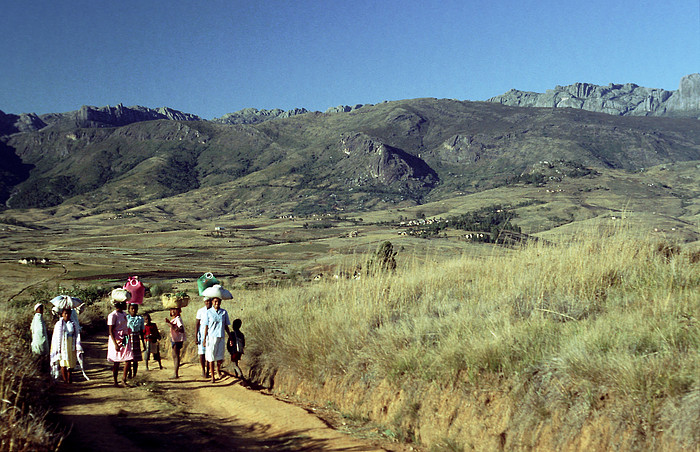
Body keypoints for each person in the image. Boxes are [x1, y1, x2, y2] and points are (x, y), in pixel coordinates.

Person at [50, 307, 82, 384]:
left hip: (71, 344)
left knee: (71, 362)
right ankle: (65, 380)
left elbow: (77, 334)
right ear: (62, 314)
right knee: (63, 362)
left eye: (68, 313)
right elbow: (56, 337)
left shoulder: (73, 323)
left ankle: (69, 377)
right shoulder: (59, 324)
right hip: (62, 346)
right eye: (65, 314)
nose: (67, 315)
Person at [107, 293, 133, 387]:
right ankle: (115, 381)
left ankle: (124, 380)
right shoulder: (112, 315)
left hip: (125, 337)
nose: (126, 305)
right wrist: (115, 344)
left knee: (128, 358)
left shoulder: (124, 314)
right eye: (125, 303)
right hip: (117, 339)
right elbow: (110, 331)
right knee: (116, 360)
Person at [203, 297, 230, 383]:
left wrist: (230, 336)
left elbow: (226, 325)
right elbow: (206, 326)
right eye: (215, 301)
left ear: (220, 302)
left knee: (220, 357)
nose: (217, 303)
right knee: (211, 357)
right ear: (212, 302)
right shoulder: (208, 312)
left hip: (221, 336)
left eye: (218, 301)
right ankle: (212, 376)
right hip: (211, 337)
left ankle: (218, 370)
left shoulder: (224, 312)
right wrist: (204, 339)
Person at [164, 307, 185, 379]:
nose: (173, 311)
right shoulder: (176, 318)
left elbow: (180, 329)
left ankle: (175, 373)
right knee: (175, 355)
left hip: (177, 340)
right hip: (175, 339)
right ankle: (175, 373)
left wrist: (170, 325)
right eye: (171, 309)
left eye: (175, 310)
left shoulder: (178, 319)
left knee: (176, 356)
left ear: (179, 311)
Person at [126, 303, 146, 379]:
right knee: (128, 357)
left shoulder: (140, 319)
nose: (133, 310)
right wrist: (123, 343)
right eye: (132, 309)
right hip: (128, 337)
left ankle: (134, 374)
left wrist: (143, 343)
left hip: (136, 338)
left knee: (135, 359)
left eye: (135, 309)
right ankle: (129, 372)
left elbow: (141, 331)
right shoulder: (126, 318)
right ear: (129, 310)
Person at [195, 297, 213, 377]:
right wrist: (196, 336)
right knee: (202, 353)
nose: (208, 303)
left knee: (209, 353)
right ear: (204, 302)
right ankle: (203, 369)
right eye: (206, 301)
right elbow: (197, 324)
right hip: (202, 334)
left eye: (209, 301)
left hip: (211, 334)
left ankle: (208, 371)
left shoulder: (214, 311)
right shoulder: (200, 311)